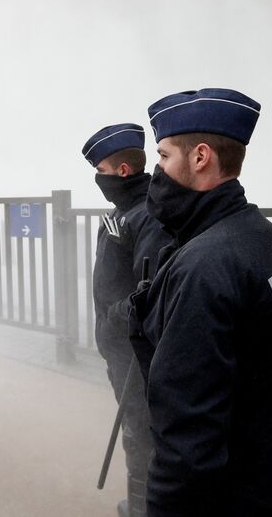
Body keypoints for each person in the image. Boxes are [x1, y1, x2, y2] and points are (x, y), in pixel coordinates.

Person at [129, 88, 272, 516]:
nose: (157, 171)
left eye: (164, 156)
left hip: (222, 497)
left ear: (200, 157)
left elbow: (187, 441)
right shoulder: (263, 236)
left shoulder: (204, 266)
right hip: (266, 480)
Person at [81, 123, 170, 517]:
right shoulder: (127, 209)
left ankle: (144, 506)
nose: (97, 178)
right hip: (119, 346)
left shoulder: (147, 215)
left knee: (141, 430)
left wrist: (115, 323)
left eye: (99, 170)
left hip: (135, 352)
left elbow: (149, 293)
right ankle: (142, 500)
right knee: (136, 426)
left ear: (121, 172)